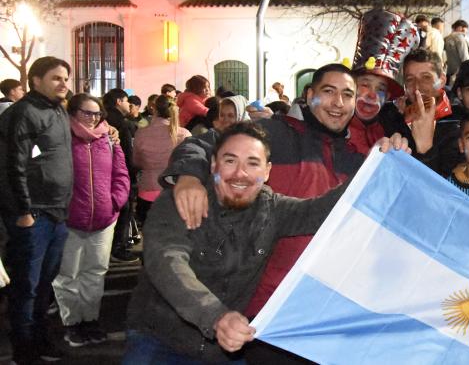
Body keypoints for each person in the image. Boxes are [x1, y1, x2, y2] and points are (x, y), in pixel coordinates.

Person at [124, 122, 411, 363]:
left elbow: (318, 212)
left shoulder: (271, 207)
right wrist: (216, 316)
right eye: (230, 161)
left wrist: (377, 163)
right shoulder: (181, 198)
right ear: (213, 164)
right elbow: (167, 261)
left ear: (267, 171)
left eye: (252, 163)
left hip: (221, 349)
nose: (240, 173)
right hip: (159, 338)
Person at [164, 64, 367, 363]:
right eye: (328, 92)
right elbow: (201, 145)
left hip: (322, 313)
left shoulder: (356, 159)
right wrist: (189, 177)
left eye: (347, 95)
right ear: (308, 95)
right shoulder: (271, 134)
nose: (338, 102)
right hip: (265, 313)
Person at [0, 56, 73, 364]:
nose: (64, 84)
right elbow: (12, 165)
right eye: (56, 78)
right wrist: (24, 210)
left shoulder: (57, 111)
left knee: (44, 285)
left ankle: (41, 340)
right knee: (26, 287)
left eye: (66, 78)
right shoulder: (23, 113)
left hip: (57, 213)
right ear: (36, 80)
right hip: (34, 216)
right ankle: (24, 348)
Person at [53, 93, 130, 348]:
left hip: (104, 218)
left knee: (95, 273)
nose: (93, 118)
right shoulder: (62, 138)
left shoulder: (109, 138)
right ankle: (71, 323)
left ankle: (90, 319)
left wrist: (115, 201)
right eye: (87, 113)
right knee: (68, 275)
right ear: (73, 113)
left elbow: (121, 173)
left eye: (97, 113)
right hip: (71, 218)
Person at [348, 8, 416, 155]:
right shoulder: (332, 126)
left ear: (387, 97)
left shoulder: (394, 128)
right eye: (365, 84)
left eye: (380, 89)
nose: (372, 95)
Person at [401, 48, 462, 176]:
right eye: (410, 79)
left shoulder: (459, 122)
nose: (417, 87)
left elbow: (448, 186)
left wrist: (425, 149)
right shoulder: (393, 118)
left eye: (426, 78)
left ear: (442, 81)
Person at [133, 95, 191, 226]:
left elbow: (136, 161)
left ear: (154, 110)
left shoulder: (141, 133)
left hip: (147, 189)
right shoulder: (184, 134)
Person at [103, 88, 139, 264]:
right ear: (118, 101)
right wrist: (131, 173)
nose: (128, 104)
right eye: (126, 101)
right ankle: (118, 248)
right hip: (119, 174)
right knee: (123, 211)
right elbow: (126, 151)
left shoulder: (106, 120)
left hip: (105, 174)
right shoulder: (120, 123)